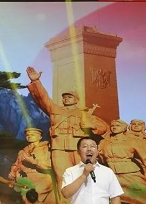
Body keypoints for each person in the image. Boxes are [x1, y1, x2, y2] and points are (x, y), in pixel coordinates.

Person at [25, 67, 108, 196]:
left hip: (78, 147)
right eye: (64, 97)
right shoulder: (55, 109)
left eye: (70, 97)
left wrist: (91, 125)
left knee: (83, 174)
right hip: (58, 148)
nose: (66, 99)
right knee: (62, 176)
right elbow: (43, 98)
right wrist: (36, 82)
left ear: (76, 99)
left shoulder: (84, 114)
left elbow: (103, 127)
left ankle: (84, 202)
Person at [98, 119, 146, 204]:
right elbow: (100, 158)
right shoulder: (104, 142)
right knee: (116, 198)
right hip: (112, 174)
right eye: (112, 125)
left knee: (143, 196)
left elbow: (145, 156)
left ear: (124, 128)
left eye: (118, 125)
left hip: (130, 173)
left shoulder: (132, 140)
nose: (114, 127)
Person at [9, 127, 62, 204]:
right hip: (27, 179)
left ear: (40, 137)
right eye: (27, 135)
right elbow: (16, 164)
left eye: (32, 135)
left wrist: (32, 161)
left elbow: (50, 165)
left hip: (43, 178)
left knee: (35, 197)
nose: (29, 136)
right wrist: (12, 172)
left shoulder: (46, 149)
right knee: (26, 199)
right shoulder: (23, 151)